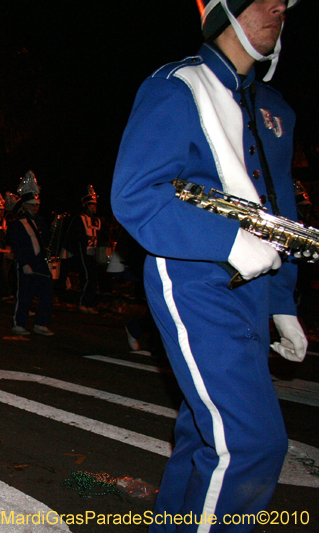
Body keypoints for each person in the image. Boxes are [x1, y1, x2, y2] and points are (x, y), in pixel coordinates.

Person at [111, 1, 306, 530]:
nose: (278, 11)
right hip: (194, 276)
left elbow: (279, 211)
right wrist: (229, 241)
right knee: (250, 442)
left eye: (284, 4)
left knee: (207, 433)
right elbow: (134, 195)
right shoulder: (177, 86)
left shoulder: (276, 108)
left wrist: (283, 301)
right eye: (264, 0)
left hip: (255, 289)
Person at [7, 171, 55, 336]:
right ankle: (19, 323)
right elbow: (17, 245)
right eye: (33, 204)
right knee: (25, 296)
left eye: (37, 204)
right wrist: (23, 262)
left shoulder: (41, 222)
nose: (36, 207)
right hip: (26, 263)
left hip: (40, 263)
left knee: (47, 294)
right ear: (25, 205)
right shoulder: (17, 224)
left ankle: (41, 323)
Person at [64, 185, 102, 314]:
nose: (94, 207)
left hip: (94, 254)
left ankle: (89, 303)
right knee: (87, 277)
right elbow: (72, 237)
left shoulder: (98, 221)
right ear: (86, 205)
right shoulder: (79, 219)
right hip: (82, 253)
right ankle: (82, 302)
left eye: (95, 205)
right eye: (91, 205)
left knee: (94, 278)